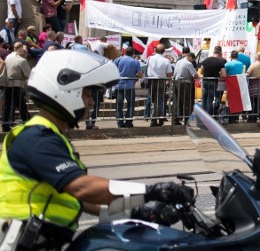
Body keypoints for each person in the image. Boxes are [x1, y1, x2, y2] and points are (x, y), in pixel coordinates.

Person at [0, 50, 193, 250]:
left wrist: (141, 214)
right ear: (65, 90)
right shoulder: (38, 139)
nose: (92, 101)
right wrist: (151, 191)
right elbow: (82, 188)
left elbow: (83, 201)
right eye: (87, 93)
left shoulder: (49, 136)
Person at [2, 42, 31, 132]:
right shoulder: (22, 61)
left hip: (7, 84)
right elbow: (28, 74)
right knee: (21, 105)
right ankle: (28, 123)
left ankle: (5, 125)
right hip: (17, 85)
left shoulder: (8, 57)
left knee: (7, 106)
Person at [114, 45, 142, 128]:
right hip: (130, 86)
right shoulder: (135, 62)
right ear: (133, 53)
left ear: (124, 52)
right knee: (130, 104)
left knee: (119, 105)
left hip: (119, 85)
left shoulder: (118, 60)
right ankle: (128, 122)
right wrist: (136, 77)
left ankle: (119, 122)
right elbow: (140, 74)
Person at [172, 49, 196, 125]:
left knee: (176, 102)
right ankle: (187, 120)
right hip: (184, 84)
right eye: (192, 60)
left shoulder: (179, 61)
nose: (192, 61)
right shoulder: (188, 64)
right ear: (190, 57)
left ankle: (175, 119)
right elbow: (194, 74)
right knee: (187, 102)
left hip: (176, 82)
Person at [200, 46, 226, 115]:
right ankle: (208, 115)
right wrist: (218, 74)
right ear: (220, 53)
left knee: (204, 98)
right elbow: (224, 75)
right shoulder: (220, 62)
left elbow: (201, 72)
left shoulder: (206, 60)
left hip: (205, 81)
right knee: (210, 99)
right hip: (213, 82)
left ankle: (202, 114)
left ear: (213, 52)